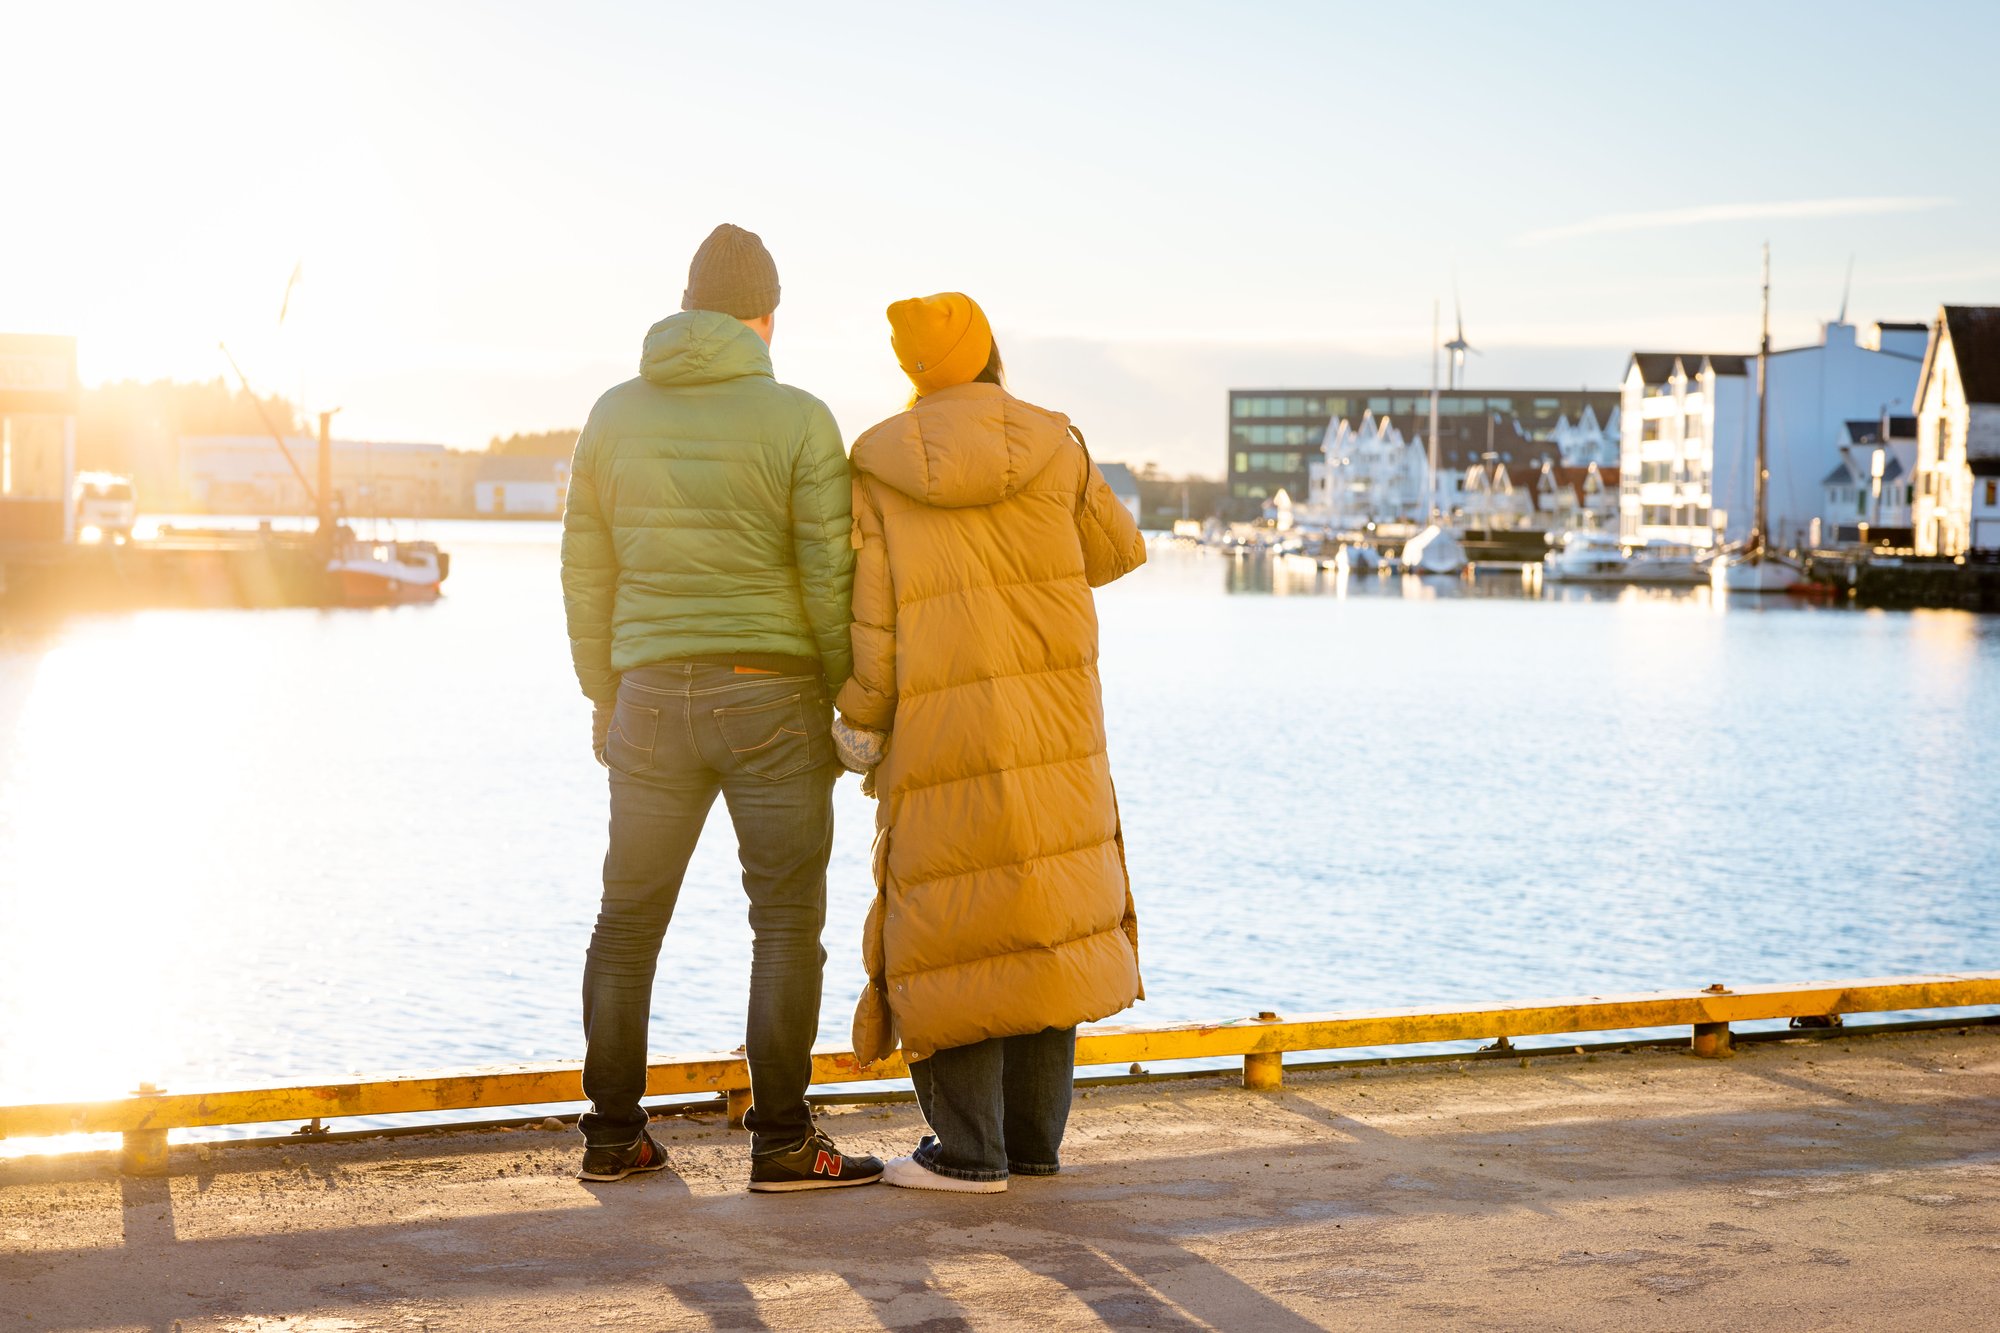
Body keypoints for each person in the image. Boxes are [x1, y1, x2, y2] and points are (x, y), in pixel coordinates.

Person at [561, 223, 882, 1192]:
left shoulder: (612, 414)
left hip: (649, 696)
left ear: (687, 307)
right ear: (765, 319)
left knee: (626, 922)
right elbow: (828, 574)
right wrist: (848, 695)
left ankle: (614, 1137)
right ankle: (783, 1144)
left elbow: (585, 570)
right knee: (784, 924)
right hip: (772, 695)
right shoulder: (797, 417)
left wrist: (602, 693)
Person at [835, 291, 1147, 1192]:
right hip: (1055, 725)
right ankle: (1033, 1144)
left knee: (953, 920)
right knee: (1041, 913)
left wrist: (859, 722)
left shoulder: (881, 464)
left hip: (940, 726)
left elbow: (876, 630)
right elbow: (1117, 553)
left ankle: (970, 1151)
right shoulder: (1057, 443)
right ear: (990, 354)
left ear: (914, 370)